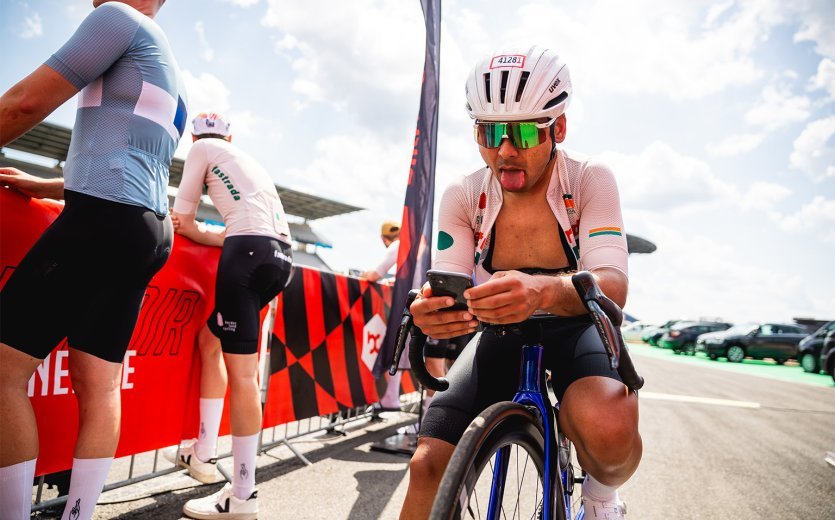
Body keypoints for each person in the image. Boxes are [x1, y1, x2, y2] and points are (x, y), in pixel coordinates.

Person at [399, 45, 642, 519]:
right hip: (500, 332)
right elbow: (448, 280)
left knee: (609, 436)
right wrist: (432, 311)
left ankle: (599, 495)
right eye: (489, 133)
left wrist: (543, 291)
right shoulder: (465, 193)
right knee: (427, 466)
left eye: (525, 131)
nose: (505, 150)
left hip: (577, 327)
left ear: (559, 129)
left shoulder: (590, 178)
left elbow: (611, 286)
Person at [0, 2, 185, 519]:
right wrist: (49, 185)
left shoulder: (117, 19)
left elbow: (25, 102)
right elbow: (128, 155)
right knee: (99, 385)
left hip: (105, 218)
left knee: (1, 373)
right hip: (147, 227)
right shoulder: (166, 61)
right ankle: (78, 513)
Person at [167, 113, 293, 520]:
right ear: (231, 136)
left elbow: (180, 220)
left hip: (248, 254)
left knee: (243, 376)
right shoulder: (245, 160)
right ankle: (203, 453)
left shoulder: (202, 150)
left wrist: (189, 228)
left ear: (193, 136)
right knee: (211, 340)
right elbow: (220, 232)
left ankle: (242, 495)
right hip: (279, 257)